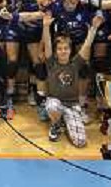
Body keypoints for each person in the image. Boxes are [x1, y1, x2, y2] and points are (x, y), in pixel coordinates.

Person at [42, 11, 104, 147]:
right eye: (59, 49)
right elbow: (47, 44)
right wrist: (46, 27)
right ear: (56, 51)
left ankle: (66, 119)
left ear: (70, 50)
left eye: (66, 48)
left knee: (81, 142)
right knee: (52, 106)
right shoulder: (52, 63)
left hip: (72, 105)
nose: (63, 51)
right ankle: (56, 124)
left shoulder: (75, 63)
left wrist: (93, 28)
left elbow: (87, 45)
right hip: (56, 101)